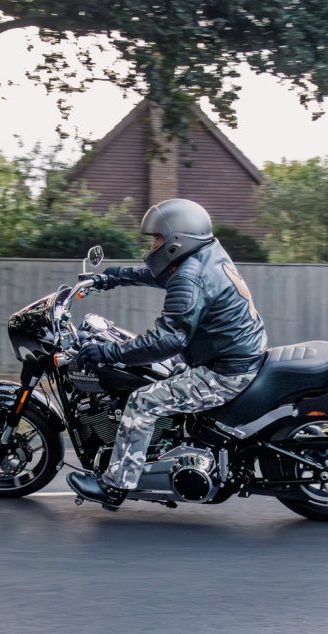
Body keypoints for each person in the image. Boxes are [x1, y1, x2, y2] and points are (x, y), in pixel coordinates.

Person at [66, 198, 267, 509]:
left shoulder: (191, 276)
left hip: (225, 371)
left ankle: (115, 485)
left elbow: (166, 341)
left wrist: (106, 352)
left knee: (142, 401)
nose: (153, 247)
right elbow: (161, 276)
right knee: (153, 372)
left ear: (177, 240)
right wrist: (111, 277)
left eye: (157, 239)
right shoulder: (206, 254)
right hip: (231, 352)